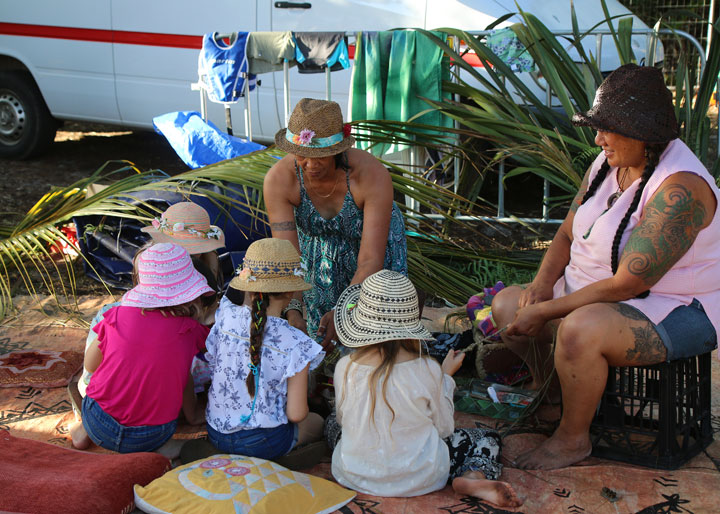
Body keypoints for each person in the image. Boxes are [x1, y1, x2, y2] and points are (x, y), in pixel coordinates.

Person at [491, 63, 720, 470]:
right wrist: (543, 285)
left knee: (580, 330)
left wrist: (546, 310)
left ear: (641, 134)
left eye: (606, 128)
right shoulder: (607, 163)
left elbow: (627, 285)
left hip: (673, 308)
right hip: (596, 296)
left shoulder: (680, 188)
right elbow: (565, 233)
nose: (597, 139)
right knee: (509, 304)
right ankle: (557, 396)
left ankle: (572, 438)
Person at [326, 270, 521, 507]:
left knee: (332, 423)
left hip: (354, 474)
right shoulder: (428, 369)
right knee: (487, 439)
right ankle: (472, 477)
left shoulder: (345, 366)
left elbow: (344, 419)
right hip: (422, 477)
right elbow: (444, 428)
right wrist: (445, 378)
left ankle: (362, 464)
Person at [264, 98, 407, 352]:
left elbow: (370, 260)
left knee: (376, 340)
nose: (310, 165)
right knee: (323, 341)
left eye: (320, 156)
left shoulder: (370, 175)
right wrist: (294, 309)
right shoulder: (280, 179)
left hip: (371, 251)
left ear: (339, 150)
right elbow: (288, 258)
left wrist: (343, 310)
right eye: (301, 155)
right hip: (320, 256)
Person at [70, 243, 214, 452]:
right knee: (182, 370)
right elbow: (186, 377)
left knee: (95, 389)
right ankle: (161, 451)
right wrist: (192, 417)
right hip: (153, 435)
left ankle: (84, 429)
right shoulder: (191, 330)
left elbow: (90, 367)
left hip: (99, 424)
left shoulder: (115, 315)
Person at [75, 202, 225, 399]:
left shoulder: (209, 260)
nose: (192, 252)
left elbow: (210, 301)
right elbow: (144, 296)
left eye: (195, 248)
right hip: (156, 311)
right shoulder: (148, 256)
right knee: (108, 316)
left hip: (191, 318)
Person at [203, 238, 326, 460]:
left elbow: (212, 361)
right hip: (262, 441)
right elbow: (297, 414)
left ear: (247, 285)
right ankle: (286, 461)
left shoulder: (225, 316)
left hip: (216, 431)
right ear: (290, 293)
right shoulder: (296, 343)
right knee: (317, 423)